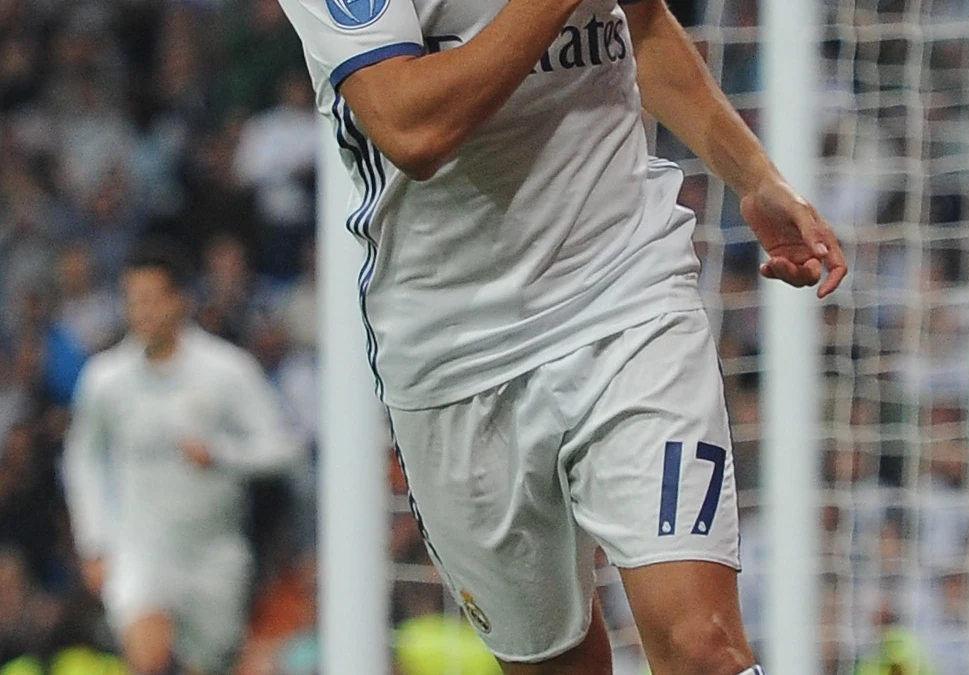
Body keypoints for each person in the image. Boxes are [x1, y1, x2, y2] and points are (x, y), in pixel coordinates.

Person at [277, 0, 847, 671]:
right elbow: (411, 125)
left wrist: (756, 175)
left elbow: (643, 25)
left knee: (704, 647)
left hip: (626, 297)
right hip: (453, 351)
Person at [62, 244, 300, 675]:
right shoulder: (105, 379)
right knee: (147, 655)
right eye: (133, 300)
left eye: (153, 298)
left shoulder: (226, 370)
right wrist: (94, 540)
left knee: (206, 665)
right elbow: (83, 458)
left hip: (214, 553)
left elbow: (285, 449)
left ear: (180, 300)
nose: (143, 312)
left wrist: (222, 455)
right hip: (141, 548)